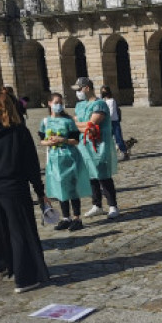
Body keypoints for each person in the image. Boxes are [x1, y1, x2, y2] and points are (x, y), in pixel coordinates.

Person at [0, 91, 50, 293]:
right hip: (15, 189)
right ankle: (24, 278)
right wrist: (40, 192)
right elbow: (32, 165)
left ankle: (3, 265)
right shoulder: (19, 132)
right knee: (19, 233)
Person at [39, 92, 91, 231]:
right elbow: (41, 140)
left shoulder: (68, 121)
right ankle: (65, 217)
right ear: (49, 103)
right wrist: (48, 142)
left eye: (60, 103)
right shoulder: (45, 122)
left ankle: (76, 218)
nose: (59, 105)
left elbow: (76, 140)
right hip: (54, 159)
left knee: (72, 188)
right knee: (60, 187)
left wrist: (64, 140)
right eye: (56, 102)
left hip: (70, 157)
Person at [73, 77, 119, 220]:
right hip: (83, 144)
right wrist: (80, 125)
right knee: (90, 175)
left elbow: (91, 125)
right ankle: (97, 204)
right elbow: (75, 123)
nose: (78, 93)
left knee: (103, 175)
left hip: (99, 145)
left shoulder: (100, 105)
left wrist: (78, 125)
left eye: (79, 89)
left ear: (87, 88)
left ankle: (112, 205)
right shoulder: (80, 106)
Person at [101, 85, 129, 161]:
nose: (103, 92)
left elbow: (111, 113)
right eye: (102, 91)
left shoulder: (112, 101)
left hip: (114, 122)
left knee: (118, 139)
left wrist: (103, 118)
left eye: (105, 91)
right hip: (107, 123)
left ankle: (125, 153)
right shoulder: (103, 101)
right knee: (106, 140)